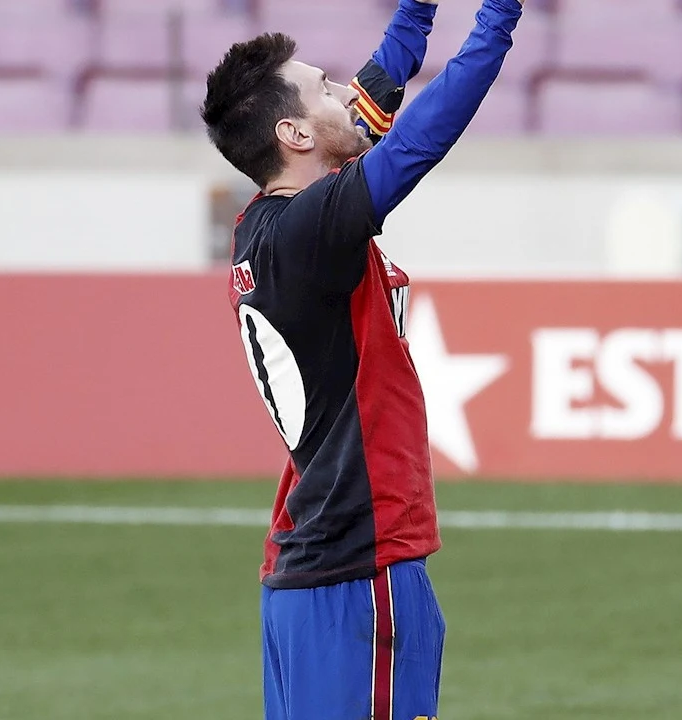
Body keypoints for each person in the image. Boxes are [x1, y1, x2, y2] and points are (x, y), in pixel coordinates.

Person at [199, 0, 526, 718]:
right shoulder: (311, 231)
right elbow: (416, 140)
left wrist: (416, 10)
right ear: (294, 132)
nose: (349, 94)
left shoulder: (272, 227)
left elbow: (377, 98)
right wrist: (498, 18)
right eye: (324, 89)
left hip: (309, 575)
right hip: (356, 568)